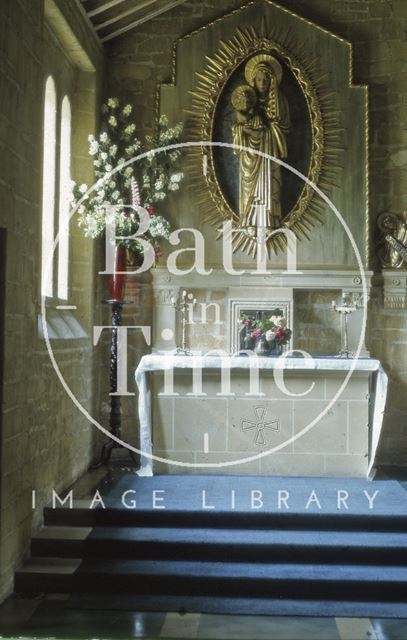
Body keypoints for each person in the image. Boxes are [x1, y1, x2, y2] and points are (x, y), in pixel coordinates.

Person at [232, 54, 290, 231]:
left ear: (272, 81)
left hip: (269, 150)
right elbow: (237, 126)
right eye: (259, 80)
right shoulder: (246, 100)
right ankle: (249, 220)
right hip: (250, 153)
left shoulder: (279, 101)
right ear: (253, 80)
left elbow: (284, 126)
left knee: (269, 183)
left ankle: (270, 219)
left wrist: (267, 127)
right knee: (249, 185)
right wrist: (244, 128)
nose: (262, 84)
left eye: (266, 80)